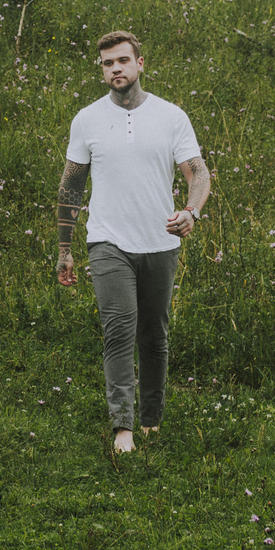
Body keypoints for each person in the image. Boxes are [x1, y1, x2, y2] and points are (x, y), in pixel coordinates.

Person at [56, 30, 212, 455]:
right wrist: (64, 250)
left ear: (140, 64)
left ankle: (151, 421)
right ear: (101, 69)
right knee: (119, 331)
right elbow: (70, 186)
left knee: (154, 336)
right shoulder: (87, 119)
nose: (115, 69)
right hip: (108, 242)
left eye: (122, 61)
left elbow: (198, 173)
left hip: (160, 242)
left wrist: (191, 212)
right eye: (107, 63)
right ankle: (122, 426)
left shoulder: (171, 116)